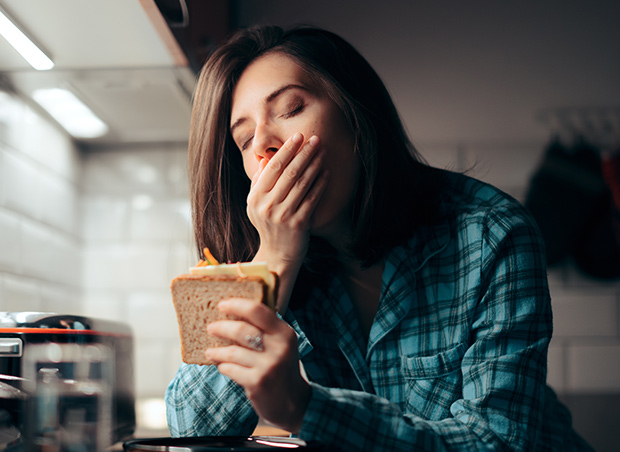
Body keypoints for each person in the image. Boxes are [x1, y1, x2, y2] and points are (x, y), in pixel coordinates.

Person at [165, 25, 593, 451]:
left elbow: (496, 442)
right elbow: (190, 428)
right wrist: (273, 261)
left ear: (355, 115)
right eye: (244, 140)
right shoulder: (273, 261)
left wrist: (305, 406)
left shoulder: (492, 235)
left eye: (291, 108)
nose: (264, 146)